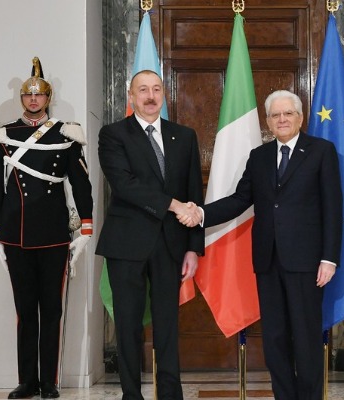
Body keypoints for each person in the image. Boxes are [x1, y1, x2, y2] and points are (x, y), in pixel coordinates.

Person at [183, 90, 343, 400]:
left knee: (306, 338)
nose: (282, 119)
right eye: (275, 115)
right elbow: (240, 199)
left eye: (288, 113)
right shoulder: (259, 156)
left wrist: (329, 258)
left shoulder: (321, 151)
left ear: (300, 117)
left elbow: (333, 208)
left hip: (307, 263)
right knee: (275, 339)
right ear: (267, 121)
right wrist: (200, 213)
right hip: (268, 261)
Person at [0, 57, 94, 399]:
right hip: (16, 233)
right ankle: (27, 381)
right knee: (25, 311)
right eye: (28, 95)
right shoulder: (3, 134)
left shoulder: (66, 133)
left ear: (48, 98)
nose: (34, 100)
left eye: (39, 94)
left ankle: (49, 381)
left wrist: (86, 227)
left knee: (52, 310)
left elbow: (81, 184)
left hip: (54, 234)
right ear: (22, 98)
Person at [95, 69, 204, 400]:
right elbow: (125, 185)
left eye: (156, 89)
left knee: (167, 325)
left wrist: (193, 248)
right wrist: (173, 205)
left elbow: (194, 192)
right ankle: (131, 394)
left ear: (164, 95)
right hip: (126, 243)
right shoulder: (113, 134)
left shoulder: (184, 136)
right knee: (128, 325)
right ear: (131, 96)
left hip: (171, 244)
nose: (150, 96)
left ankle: (171, 394)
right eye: (143, 90)